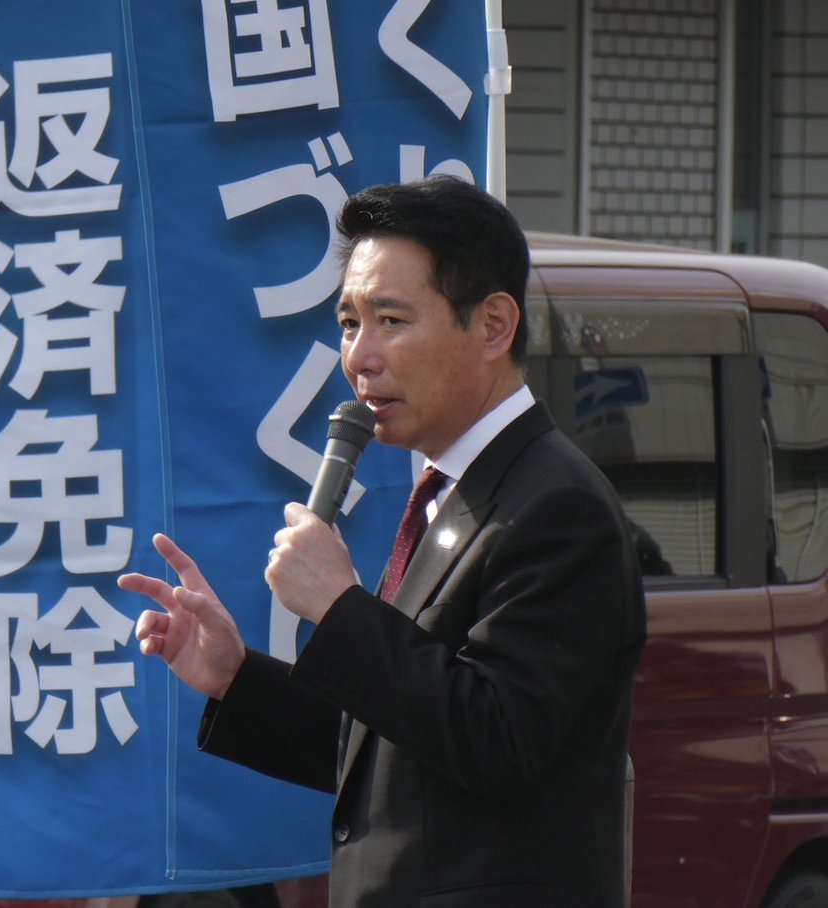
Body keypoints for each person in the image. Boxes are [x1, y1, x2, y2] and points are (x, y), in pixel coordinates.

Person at [118, 176, 647, 908]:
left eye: (391, 320)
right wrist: (234, 677)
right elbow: (392, 746)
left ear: (494, 326)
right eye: (348, 322)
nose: (359, 356)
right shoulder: (451, 492)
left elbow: (497, 742)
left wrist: (339, 609)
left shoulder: (558, 506)